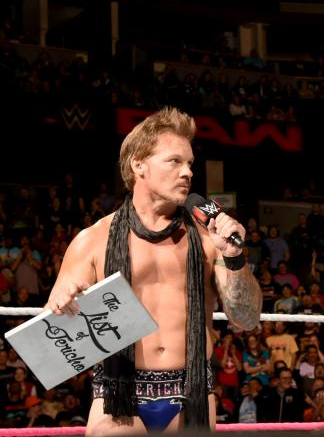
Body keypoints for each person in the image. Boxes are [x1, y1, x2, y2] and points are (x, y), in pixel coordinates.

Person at [44, 107, 262, 434]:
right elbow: (56, 338)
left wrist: (234, 258)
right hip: (117, 393)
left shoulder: (208, 239)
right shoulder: (92, 240)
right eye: (174, 161)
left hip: (191, 392)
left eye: (189, 163)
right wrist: (63, 307)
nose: (187, 172)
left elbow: (246, 319)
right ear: (139, 164)